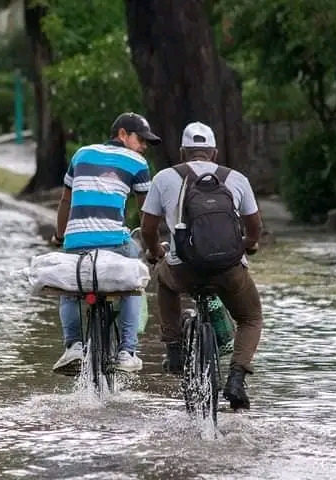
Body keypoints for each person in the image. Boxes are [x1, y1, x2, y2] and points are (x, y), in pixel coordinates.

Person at [140, 121, 264, 410]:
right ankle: (237, 376)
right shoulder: (237, 179)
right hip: (228, 269)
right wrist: (247, 244)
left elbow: (148, 228)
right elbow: (255, 227)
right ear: (215, 153)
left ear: (183, 152)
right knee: (250, 318)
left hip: (183, 267)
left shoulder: (164, 178)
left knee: (164, 280)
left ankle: (173, 349)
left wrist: (155, 251)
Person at [50, 112, 161, 374]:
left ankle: (73, 346)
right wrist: (151, 249)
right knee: (135, 281)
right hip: (115, 243)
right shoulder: (138, 163)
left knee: (71, 285)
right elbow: (147, 217)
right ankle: (127, 351)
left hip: (76, 241)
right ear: (122, 134)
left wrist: (59, 235)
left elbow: (65, 201)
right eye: (141, 139)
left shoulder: (80, 154)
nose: (143, 146)